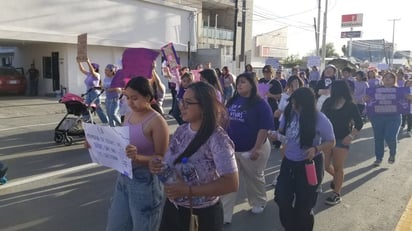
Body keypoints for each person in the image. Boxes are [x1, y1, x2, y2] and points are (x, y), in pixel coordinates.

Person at [149, 81, 239, 231]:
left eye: (188, 103)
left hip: (203, 215)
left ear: (204, 107)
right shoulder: (182, 130)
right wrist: (157, 164)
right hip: (174, 208)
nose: (181, 106)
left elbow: (232, 183)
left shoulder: (218, 139)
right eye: (181, 101)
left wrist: (189, 191)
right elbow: (169, 162)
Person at [101, 76, 169, 231]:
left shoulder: (157, 122)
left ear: (148, 97)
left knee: (143, 226)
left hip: (145, 182)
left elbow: (160, 159)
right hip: (124, 177)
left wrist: (137, 157)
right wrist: (96, 143)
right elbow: (120, 143)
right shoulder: (129, 115)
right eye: (127, 98)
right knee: (116, 225)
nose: (130, 102)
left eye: (135, 98)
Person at [269, 87, 335, 231]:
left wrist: (316, 149)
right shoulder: (289, 113)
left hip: (309, 165)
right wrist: (275, 135)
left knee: (304, 205)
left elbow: (331, 141)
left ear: (306, 104)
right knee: (282, 197)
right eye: (292, 103)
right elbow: (283, 134)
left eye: (296, 104)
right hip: (289, 162)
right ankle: (291, 227)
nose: (293, 107)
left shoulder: (319, 118)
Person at [222, 72, 274, 223]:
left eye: (243, 82)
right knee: (228, 179)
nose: (239, 85)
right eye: (238, 82)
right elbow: (225, 120)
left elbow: (263, 128)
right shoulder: (233, 100)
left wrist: (256, 148)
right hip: (232, 149)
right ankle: (225, 215)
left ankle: (259, 202)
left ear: (252, 84)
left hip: (254, 148)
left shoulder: (260, 104)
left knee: (254, 177)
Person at [321, 80, 363, 205]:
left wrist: (350, 136)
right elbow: (321, 118)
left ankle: (336, 193)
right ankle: (337, 179)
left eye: (333, 88)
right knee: (325, 165)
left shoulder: (350, 105)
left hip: (342, 139)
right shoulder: (328, 102)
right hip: (327, 139)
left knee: (339, 167)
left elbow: (359, 123)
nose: (331, 90)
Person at [367, 72, 403, 166]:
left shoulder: (399, 91)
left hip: (393, 117)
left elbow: (405, 103)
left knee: (390, 137)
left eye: (390, 77)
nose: (387, 79)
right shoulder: (375, 90)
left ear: (394, 80)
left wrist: (409, 98)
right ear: (382, 79)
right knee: (378, 138)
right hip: (377, 117)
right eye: (385, 77)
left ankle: (392, 153)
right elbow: (370, 102)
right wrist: (366, 99)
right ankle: (379, 158)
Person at [76, 58, 108, 124]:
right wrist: (79, 62)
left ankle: (106, 122)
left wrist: (88, 62)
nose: (90, 69)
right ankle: (86, 121)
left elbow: (92, 71)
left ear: (95, 69)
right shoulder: (89, 74)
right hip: (88, 93)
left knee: (98, 108)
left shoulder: (96, 75)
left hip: (95, 93)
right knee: (86, 107)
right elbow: (82, 70)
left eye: (93, 67)